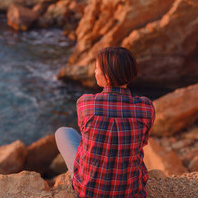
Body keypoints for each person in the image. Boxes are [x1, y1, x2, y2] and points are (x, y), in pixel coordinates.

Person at [55, 47, 155, 198]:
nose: (94, 72)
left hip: (87, 192)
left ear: (107, 78)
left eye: (96, 69)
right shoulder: (146, 108)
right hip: (130, 193)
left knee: (63, 132)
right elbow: (143, 142)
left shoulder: (85, 103)